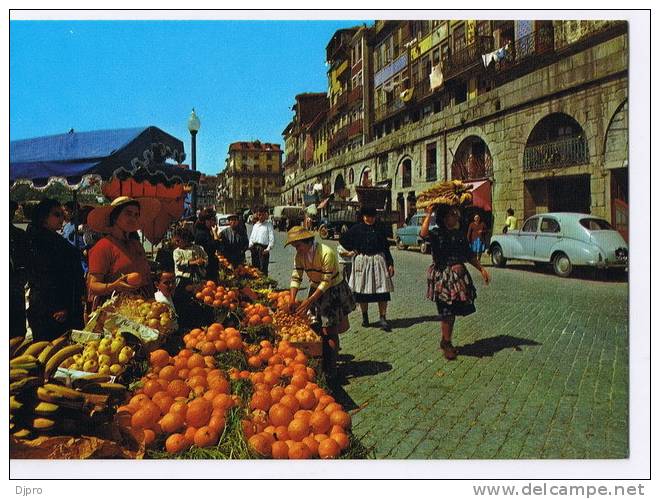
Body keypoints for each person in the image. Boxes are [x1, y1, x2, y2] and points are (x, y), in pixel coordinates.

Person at [420, 203, 490, 360]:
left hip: (458, 278)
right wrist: (429, 213)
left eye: (455, 214)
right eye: (452, 214)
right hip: (443, 277)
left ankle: (446, 341)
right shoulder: (437, 233)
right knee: (447, 312)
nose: (456, 216)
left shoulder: (459, 235)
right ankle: (446, 343)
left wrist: (481, 269)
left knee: (452, 312)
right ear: (444, 218)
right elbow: (423, 234)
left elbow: (469, 254)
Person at [285, 226, 355, 379]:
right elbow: (296, 275)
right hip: (316, 289)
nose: (296, 249)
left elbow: (326, 282)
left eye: (298, 246)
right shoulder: (300, 256)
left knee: (329, 330)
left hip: (333, 290)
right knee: (316, 328)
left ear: (308, 241)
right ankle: (323, 361)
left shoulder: (326, 253)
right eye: (294, 247)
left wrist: (310, 301)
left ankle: (331, 370)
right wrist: (292, 298)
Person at [25, 198, 85, 341]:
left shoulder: (51, 238)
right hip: (52, 310)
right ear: (43, 218)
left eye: (62, 215)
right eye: (56, 215)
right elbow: (43, 277)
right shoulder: (39, 243)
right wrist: (58, 306)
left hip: (63, 305)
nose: (62, 218)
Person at [86, 196, 161, 310]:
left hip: (141, 307)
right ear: (115, 217)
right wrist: (114, 286)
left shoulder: (136, 245)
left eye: (136, 215)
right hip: (113, 310)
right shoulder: (103, 246)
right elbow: (93, 285)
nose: (133, 218)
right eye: (128, 213)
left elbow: (147, 278)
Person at [339, 206, 394, 331]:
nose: (370, 219)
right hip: (363, 261)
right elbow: (343, 240)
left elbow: (386, 248)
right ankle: (365, 317)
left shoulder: (380, 229)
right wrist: (354, 249)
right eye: (367, 217)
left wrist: (390, 263)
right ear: (363, 217)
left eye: (372, 217)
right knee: (362, 291)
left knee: (383, 291)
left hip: (378, 260)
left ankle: (383, 318)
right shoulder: (357, 229)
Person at [10, 200, 29, 339]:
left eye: (11, 211)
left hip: (15, 289)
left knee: (17, 333)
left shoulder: (19, 235)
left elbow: (27, 262)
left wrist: (22, 278)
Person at [194, 211, 220, 281]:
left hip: (210, 264)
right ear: (205, 221)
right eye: (211, 220)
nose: (213, 223)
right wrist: (215, 233)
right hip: (207, 266)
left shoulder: (206, 231)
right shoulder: (201, 234)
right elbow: (215, 246)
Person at [248, 206, 275, 275]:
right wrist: (250, 245)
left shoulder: (268, 225)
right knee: (255, 268)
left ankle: (264, 284)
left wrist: (268, 249)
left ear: (265, 215)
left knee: (263, 269)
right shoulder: (255, 225)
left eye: (263, 215)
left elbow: (271, 238)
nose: (261, 216)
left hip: (263, 249)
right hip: (254, 249)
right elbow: (252, 237)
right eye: (259, 215)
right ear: (257, 215)